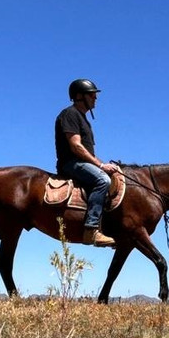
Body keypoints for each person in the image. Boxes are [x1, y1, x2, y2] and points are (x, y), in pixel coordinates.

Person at [55, 78, 119, 247]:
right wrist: (101, 165)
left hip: (81, 163)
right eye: (91, 95)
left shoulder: (83, 119)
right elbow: (76, 146)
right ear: (79, 96)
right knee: (102, 180)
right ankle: (91, 229)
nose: (95, 98)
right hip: (71, 163)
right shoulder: (70, 114)